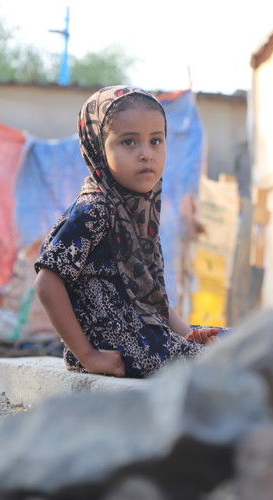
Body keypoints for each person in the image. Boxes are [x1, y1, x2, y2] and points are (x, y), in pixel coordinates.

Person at [34, 85, 218, 378]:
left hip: (151, 337)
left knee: (236, 342)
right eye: (129, 142)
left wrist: (187, 334)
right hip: (121, 349)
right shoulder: (93, 210)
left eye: (156, 141)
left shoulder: (139, 213)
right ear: (97, 147)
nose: (146, 154)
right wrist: (88, 356)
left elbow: (151, 295)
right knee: (236, 359)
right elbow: (47, 282)